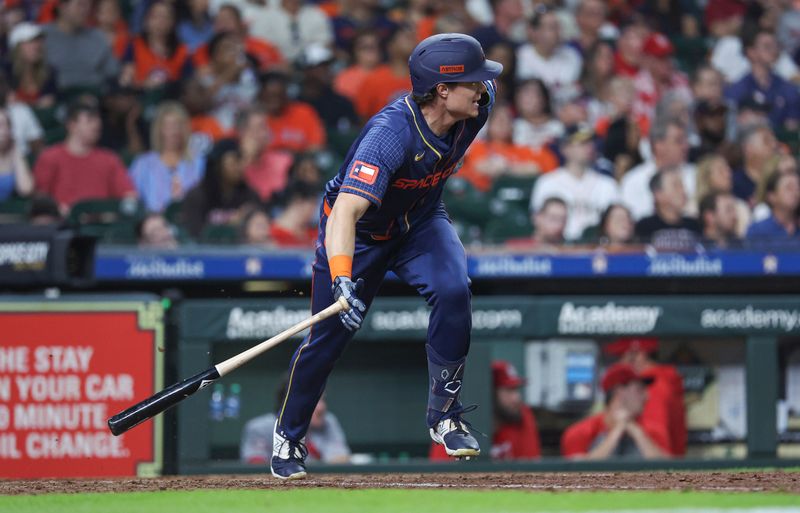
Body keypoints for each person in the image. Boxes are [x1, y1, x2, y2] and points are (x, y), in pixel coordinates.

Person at [270, 33, 503, 480]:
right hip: (359, 236)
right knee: (328, 338)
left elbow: (484, 87)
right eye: (472, 80)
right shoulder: (390, 135)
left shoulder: (478, 103)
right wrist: (341, 277)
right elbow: (344, 214)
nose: (483, 87)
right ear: (441, 90)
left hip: (420, 221)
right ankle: (288, 438)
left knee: (454, 288)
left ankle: (445, 416)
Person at [33, 97, 135, 213]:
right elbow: (40, 199)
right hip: (61, 224)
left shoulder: (109, 159)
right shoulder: (50, 157)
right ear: (72, 125)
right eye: (90, 120)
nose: (97, 124)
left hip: (101, 225)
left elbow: (128, 195)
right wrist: (58, 210)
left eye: (98, 120)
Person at [430, 360, 541, 461]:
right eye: (509, 390)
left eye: (516, 390)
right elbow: (440, 469)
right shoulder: (454, 423)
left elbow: (532, 466)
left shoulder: (522, 415)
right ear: (490, 393)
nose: (517, 398)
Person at [561, 362, 670, 460]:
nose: (647, 397)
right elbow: (578, 475)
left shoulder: (653, 430)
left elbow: (668, 473)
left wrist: (637, 432)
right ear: (619, 391)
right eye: (639, 390)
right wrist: (617, 431)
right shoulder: (580, 432)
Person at [531, 125, 619, 241]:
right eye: (582, 143)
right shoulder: (547, 183)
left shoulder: (608, 185)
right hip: (560, 247)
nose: (589, 147)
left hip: (598, 247)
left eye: (590, 143)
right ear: (565, 148)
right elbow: (538, 224)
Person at [603, 337, 686, 457]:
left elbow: (659, 452)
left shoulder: (653, 388)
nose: (618, 364)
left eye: (621, 357)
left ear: (637, 355)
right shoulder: (663, 380)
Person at [242, 378, 350, 465]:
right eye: (314, 401)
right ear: (292, 405)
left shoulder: (328, 422)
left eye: (322, 400)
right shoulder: (260, 428)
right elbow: (256, 466)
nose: (322, 407)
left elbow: (341, 459)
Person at [458, 101, 558, 192]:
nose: (503, 124)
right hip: (485, 194)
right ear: (489, 125)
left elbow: (534, 168)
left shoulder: (520, 149)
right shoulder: (479, 145)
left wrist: (505, 168)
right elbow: (481, 167)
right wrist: (516, 169)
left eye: (507, 120)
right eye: (499, 120)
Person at [128, 102, 204, 213]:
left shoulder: (199, 162)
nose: (174, 131)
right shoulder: (143, 163)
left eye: (178, 125)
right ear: (159, 130)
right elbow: (132, 199)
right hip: (153, 223)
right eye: (169, 126)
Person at [181, 138, 261, 237]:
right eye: (234, 162)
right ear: (218, 165)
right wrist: (228, 224)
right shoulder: (197, 196)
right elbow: (194, 235)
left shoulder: (249, 195)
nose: (240, 167)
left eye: (241, 162)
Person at [724, 29, 800, 132]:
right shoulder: (737, 89)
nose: (774, 50)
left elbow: (793, 128)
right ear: (751, 52)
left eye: (776, 45)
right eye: (767, 46)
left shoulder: (788, 88)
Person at [621, 118, 696, 220]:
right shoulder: (633, 180)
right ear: (659, 146)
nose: (686, 146)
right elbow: (634, 218)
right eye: (678, 141)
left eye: (685, 140)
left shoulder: (696, 174)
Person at [42, 0, 120, 91]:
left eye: (88, 5)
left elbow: (112, 73)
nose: (86, 10)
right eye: (80, 4)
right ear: (62, 7)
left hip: (95, 95)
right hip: (56, 96)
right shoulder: (42, 36)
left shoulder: (97, 37)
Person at [515, 6, 582, 106]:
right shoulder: (521, 56)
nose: (558, 32)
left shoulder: (572, 56)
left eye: (558, 27)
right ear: (534, 32)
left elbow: (576, 92)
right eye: (552, 27)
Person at [119, 0, 191, 91]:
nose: (160, 22)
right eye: (155, 17)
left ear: (173, 22)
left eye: (165, 17)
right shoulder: (134, 45)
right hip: (140, 97)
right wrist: (143, 85)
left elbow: (187, 84)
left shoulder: (182, 50)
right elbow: (125, 81)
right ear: (146, 20)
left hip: (172, 99)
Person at [354, 25, 415, 121]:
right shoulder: (374, 80)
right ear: (391, 46)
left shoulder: (424, 78)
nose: (413, 41)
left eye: (413, 37)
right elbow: (363, 119)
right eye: (407, 37)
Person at [236, 105, 293, 204]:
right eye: (260, 127)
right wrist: (247, 158)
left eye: (266, 127)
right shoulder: (233, 162)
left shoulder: (284, 160)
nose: (266, 133)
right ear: (243, 132)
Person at [246, 0, 333, 64]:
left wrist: (304, 60)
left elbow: (324, 42)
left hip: (311, 63)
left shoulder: (316, 13)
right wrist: (279, 61)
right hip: (276, 64)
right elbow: (260, 46)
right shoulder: (265, 16)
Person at [632, 32, 692, 124]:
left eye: (669, 56)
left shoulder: (681, 80)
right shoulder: (637, 85)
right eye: (661, 58)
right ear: (648, 59)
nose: (667, 62)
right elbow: (641, 119)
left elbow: (689, 111)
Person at [635, 167, 701, 250]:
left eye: (682, 186)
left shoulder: (695, 225)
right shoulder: (644, 227)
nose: (683, 191)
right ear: (658, 194)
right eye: (675, 186)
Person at [259, 72, 326, 154]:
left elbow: (316, 145)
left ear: (286, 95)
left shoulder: (304, 112)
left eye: (278, 96)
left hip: (300, 162)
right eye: (270, 97)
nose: (274, 102)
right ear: (262, 96)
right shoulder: (256, 118)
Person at [5, 22, 58, 108]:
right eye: (30, 42)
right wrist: (36, 104)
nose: (37, 46)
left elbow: (51, 102)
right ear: (16, 47)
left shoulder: (50, 73)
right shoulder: (4, 72)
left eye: (39, 42)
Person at [746, 171, 800, 245]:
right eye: (789, 188)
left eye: (798, 188)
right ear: (772, 196)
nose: (795, 193)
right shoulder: (757, 231)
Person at [512, 78, 564, 151]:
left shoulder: (557, 128)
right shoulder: (513, 127)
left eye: (531, 94)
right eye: (522, 94)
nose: (526, 99)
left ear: (544, 99)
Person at [269, 181, 320, 248]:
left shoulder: (314, 234)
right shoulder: (270, 235)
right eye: (313, 204)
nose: (314, 210)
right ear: (298, 201)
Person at [0, 108, 33, 202]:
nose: (3, 131)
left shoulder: (13, 154)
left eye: (7, 125)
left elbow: (26, 189)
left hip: (7, 214)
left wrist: (15, 151)